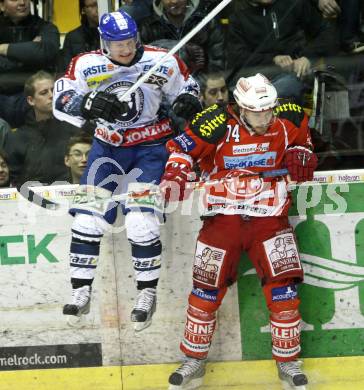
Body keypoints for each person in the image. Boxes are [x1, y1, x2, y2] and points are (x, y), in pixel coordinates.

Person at [160, 74, 318, 389]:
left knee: (283, 291)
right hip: (223, 220)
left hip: (270, 218)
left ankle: (288, 363)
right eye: (257, 112)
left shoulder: (289, 117)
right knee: (205, 291)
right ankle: (194, 360)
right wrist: (176, 173)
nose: (265, 118)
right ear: (240, 108)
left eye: (269, 110)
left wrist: (304, 155)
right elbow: (180, 149)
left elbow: (305, 145)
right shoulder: (215, 121)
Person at [53, 10, 201, 331]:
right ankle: (81, 291)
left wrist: (188, 101)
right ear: (104, 42)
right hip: (106, 149)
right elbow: (61, 97)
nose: (125, 49)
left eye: (130, 41)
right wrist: (85, 103)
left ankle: (147, 294)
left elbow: (188, 87)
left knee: (139, 222)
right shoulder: (85, 64)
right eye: (117, 43)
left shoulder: (162, 60)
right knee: (86, 219)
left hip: (151, 149)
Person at [226, 0, 338, 103]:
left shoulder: (293, 3)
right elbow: (238, 56)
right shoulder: (236, 14)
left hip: (292, 75)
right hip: (252, 78)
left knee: (286, 87)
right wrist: (273, 59)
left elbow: (327, 33)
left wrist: (307, 57)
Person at [4, 71, 79, 187]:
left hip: (71, 195)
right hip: (31, 200)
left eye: (54, 90)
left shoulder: (75, 129)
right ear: (31, 100)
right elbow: (12, 181)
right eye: (44, 93)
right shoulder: (17, 137)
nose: (51, 95)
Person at [138, 0, 225, 78]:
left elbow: (217, 63)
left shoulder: (207, 22)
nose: (174, 1)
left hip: (203, 90)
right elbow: (143, 68)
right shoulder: (147, 27)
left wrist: (196, 88)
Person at [59, 0, 100, 73]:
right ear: (83, 10)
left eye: (100, 4)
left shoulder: (116, 32)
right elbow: (66, 71)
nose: (99, 9)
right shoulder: (73, 37)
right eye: (93, 5)